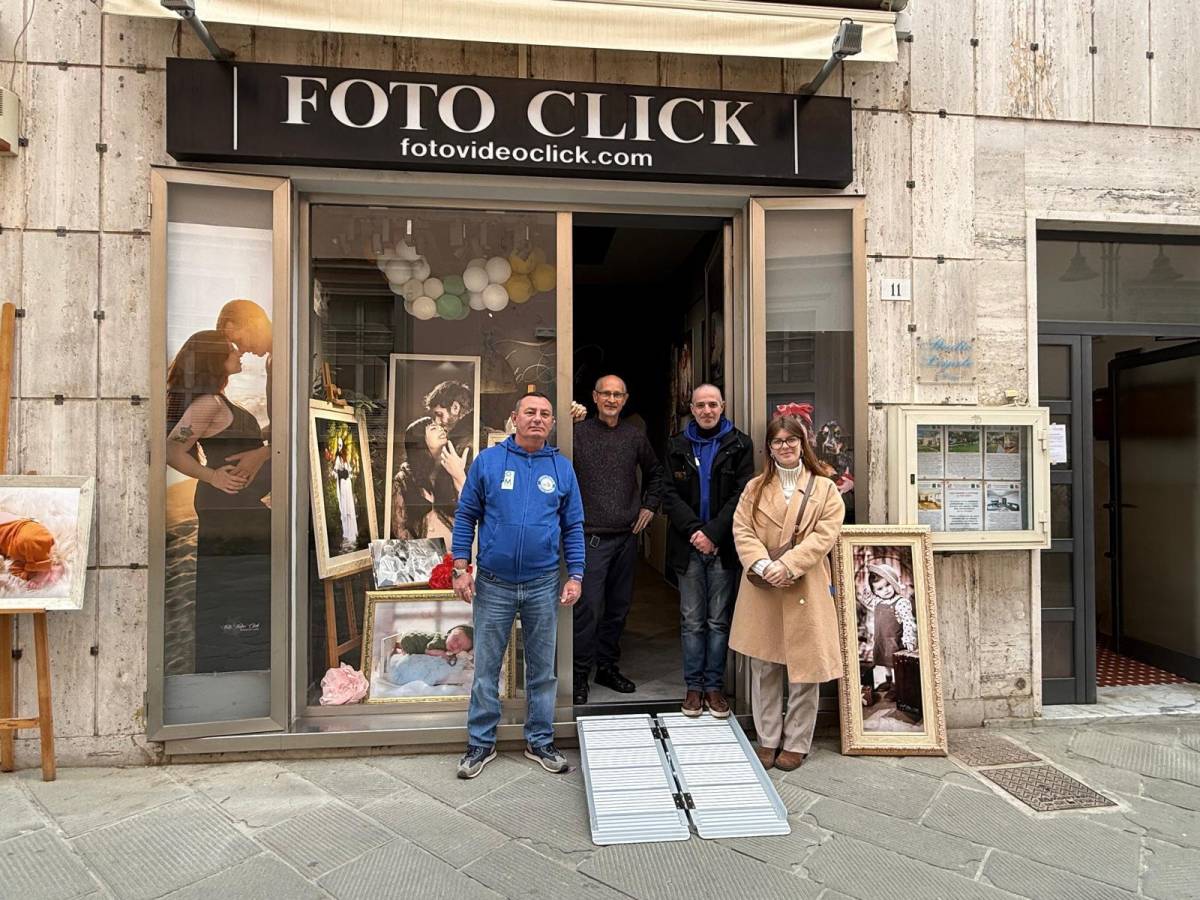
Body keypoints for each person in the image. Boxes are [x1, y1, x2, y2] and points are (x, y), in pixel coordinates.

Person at [450, 391, 585, 779]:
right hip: (493, 584)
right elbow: (466, 515)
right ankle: (480, 743)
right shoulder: (489, 462)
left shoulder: (561, 469)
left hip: (543, 583)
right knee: (486, 668)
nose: (537, 419)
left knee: (542, 670)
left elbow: (573, 526)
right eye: (530, 412)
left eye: (545, 414)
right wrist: (461, 567)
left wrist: (575, 575)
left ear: (552, 423)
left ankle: (540, 740)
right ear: (514, 418)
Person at [729, 413, 844, 772]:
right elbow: (742, 529)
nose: (785, 447)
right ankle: (767, 738)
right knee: (764, 666)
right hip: (764, 586)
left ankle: (796, 741)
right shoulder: (755, 488)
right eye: (777, 441)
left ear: (802, 443)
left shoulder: (825, 488)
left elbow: (825, 535)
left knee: (805, 669)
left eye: (791, 440)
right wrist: (763, 565)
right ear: (769, 448)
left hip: (804, 583)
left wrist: (789, 565)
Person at [165, 330, 271, 672]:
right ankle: (231, 657)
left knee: (235, 581)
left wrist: (265, 446)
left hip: (234, 506)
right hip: (227, 507)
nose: (239, 354)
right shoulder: (209, 403)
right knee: (231, 582)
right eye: (231, 350)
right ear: (215, 360)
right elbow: (171, 450)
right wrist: (213, 477)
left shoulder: (219, 401)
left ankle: (238, 654)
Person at [660, 384, 754, 718]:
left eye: (713, 404)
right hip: (687, 546)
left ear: (722, 406)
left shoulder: (740, 444)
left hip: (723, 546)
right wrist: (695, 532)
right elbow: (668, 493)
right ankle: (693, 688)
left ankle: (714, 687)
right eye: (700, 405)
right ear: (692, 408)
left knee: (717, 620)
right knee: (691, 621)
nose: (707, 410)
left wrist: (713, 533)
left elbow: (743, 494)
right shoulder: (676, 444)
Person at [569, 375, 663, 704]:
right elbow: (549, 457)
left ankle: (606, 667)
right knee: (587, 610)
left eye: (617, 395)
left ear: (625, 399)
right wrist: (565, 423)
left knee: (618, 609)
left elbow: (656, 473)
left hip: (625, 538)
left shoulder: (634, 436)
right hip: (589, 538)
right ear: (595, 397)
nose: (611, 399)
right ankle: (579, 674)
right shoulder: (577, 433)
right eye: (606, 394)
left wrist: (650, 506)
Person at [392, 380, 475, 540]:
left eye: (439, 415)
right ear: (421, 441)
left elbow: (472, 513)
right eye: (432, 427)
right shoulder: (405, 478)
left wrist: (459, 476)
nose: (438, 424)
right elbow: (399, 528)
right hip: (422, 550)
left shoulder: (458, 461)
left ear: (456, 408)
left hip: (456, 547)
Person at [215, 299, 272, 488]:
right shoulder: (273, 360)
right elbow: (286, 423)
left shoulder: (291, 356)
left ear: (256, 323)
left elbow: (303, 423)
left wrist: (263, 453)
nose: (242, 350)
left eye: (238, 341)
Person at [857, 561, 917, 706]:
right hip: (882, 640)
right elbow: (866, 598)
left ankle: (897, 685)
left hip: (894, 640)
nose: (885, 590)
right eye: (880, 588)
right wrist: (868, 584)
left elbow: (908, 621)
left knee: (894, 664)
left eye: (888, 585)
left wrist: (909, 638)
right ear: (875, 591)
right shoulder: (877, 602)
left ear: (894, 583)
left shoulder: (900, 602)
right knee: (884, 663)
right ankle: (888, 681)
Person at [0, 512, 57, 584]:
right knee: (14, 570)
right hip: (18, 553)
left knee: (29, 539)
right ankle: (55, 569)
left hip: (25, 531)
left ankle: (44, 571)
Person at [333, 438, 359, 551]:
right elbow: (335, 471)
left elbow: (349, 471)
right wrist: (335, 473)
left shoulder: (344, 459)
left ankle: (351, 533)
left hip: (346, 484)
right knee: (344, 508)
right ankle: (346, 533)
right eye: (338, 445)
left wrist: (348, 473)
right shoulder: (337, 458)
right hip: (342, 484)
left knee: (348, 507)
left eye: (341, 445)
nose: (339, 447)